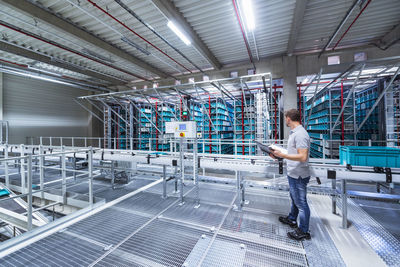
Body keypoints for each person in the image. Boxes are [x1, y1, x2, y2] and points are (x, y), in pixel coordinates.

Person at [271, 109, 311, 241]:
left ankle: (303, 231)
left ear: (289, 119)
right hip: (293, 173)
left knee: (301, 202)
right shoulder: (295, 133)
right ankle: (292, 219)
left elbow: (303, 156)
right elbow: (294, 153)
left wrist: (283, 155)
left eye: (285, 118)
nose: (285, 120)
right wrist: (279, 154)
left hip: (299, 175)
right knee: (295, 199)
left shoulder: (300, 134)